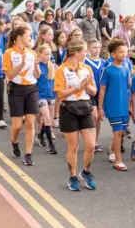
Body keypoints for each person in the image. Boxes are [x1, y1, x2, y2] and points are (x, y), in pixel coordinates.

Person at [55, 39, 98, 191]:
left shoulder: (86, 68)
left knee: (91, 145)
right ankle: (72, 177)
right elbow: (60, 95)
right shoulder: (61, 70)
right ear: (76, 53)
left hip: (85, 107)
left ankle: (86, 172)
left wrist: (87, 86)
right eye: (84, 51)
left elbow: (94, 91)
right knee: (73, 145)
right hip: (69, 109)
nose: (86, 54)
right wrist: (78, 87)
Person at [3, 23, 41, 166]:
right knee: (17, 125)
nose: (30, 38)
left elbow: (37, 75)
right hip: (16, 89)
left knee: (30, 123)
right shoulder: (9, 53)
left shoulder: (32, 53)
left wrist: (36, 65)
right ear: (19, 37)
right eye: (28, 36)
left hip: (31, 88)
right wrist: (21, 64)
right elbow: (10, 75)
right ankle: (14, 141)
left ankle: (28, 154)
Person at [98, 39, 130, 171]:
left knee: (122, 133)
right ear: (113, 54)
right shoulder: (107, 70)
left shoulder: (125, 70)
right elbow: (102, 89)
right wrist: (100, 107)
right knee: (118, 132)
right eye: (121, 52)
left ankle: (112, 150)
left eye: (125, 52)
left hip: (124, 105)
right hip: (113, 105)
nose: (124, 54)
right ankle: (118, 160)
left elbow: (129, 88)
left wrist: (131, 105)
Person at [84, 38, 105, 153]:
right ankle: (91, 141)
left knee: (98, 119)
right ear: (88, 49)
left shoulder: (103, 62)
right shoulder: (85, 62)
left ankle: (95, 141)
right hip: (90, 92)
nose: (97, 50)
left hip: (100, 93)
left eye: (98, 47)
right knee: (94, 116)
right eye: (94, 47)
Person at [35, 44, 57, 154]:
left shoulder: (51, 65)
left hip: (51, 95)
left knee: (49, 119)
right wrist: (36, 65)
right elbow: (37, 75)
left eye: (49, 54)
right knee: (47, 119)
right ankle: (51, 146)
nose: (48, 56)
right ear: (39, 54)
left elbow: (54, 80)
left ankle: (40, 135)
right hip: (41, 95)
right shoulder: (37, 65)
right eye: (46, 54)